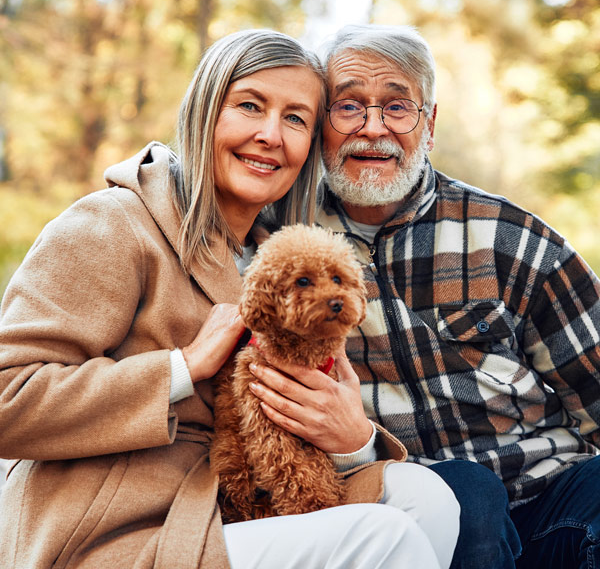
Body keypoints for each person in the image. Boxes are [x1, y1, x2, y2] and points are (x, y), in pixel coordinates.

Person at [0, 28, 459, 568]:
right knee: (382, 537)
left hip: (230, 507)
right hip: (122, 531)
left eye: (295, 119)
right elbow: (9, 396)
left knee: (430, 498)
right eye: (249, 105)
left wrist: (352, 440)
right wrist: (182, 366)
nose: (270, 134)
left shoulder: (279, 260)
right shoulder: (112, 224)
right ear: (204, 114)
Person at [246, 22, 600, 569]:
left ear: (428, 124)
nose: (373, 130)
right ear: (320, 125)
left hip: (549, 491)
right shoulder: (279, 243)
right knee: (468, 494)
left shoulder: (512, 239)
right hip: (427, 496)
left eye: (397, 106)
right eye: (349, 107)